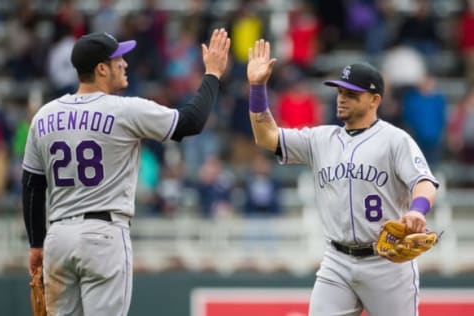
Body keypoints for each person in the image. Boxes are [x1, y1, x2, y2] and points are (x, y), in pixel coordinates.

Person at [22, 29, 230, 315]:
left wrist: (36, 243)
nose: (126, 63)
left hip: (57, 237)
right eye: (119, 57)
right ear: (102, 68)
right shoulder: (124, 110)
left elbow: (32, 184)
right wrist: (213, 75)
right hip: (103, 236)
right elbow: (191, 122)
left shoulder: (44, 116)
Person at [246, 39, 438, 316]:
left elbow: (424, 181)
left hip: (387, 261)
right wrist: (257, 87)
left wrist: (417, 211)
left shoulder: (395, 140)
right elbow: (266, 137)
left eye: (351, 94)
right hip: (337, 260)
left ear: (375, 100)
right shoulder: (320, 138)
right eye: (340, 92)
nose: (341, 98)